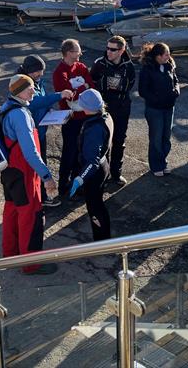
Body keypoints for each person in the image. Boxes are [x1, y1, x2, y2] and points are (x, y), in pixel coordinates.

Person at [0, 74, 59, 275]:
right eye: (29, 88)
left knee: (12, 211)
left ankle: (10, 254)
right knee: (31, 217)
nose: (34, 91)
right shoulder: (20, 115)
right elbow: (30, 152)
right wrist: (47, 177)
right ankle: (31, 264)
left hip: (9, 171)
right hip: (24, 174)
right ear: (18, 91)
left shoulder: (7, 107)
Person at [18, 54, 73, 208]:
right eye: (37, 71)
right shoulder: (22, 84)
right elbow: (34, 102)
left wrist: (50, 110)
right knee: (37, 165)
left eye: (41, 70)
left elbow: (43, 98)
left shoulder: (36, 81)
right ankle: (38, 198)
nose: (40, 74)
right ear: (28, 70)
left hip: (40, 132)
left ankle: (40, 196)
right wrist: (59, 96)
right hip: (32, 134)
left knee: (41, 163)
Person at [90, 36, 136, 187]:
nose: (108, 52)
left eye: (113, 49)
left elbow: (130, 84)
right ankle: (103, 175)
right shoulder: (99, 64)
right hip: (104, 107)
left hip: (122, 107)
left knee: (119, 140)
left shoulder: (128, 66)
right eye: (107, 48)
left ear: (121, 51)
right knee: (103, 142)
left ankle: (116, 174)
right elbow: (91, 83)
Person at [70, 89, 114, 241]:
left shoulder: (94, 128)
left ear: (87, 107)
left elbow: (92, 162)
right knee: (99, 204)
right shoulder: (105, 116)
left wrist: (80, 178)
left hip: (94, 173)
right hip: (104, 165)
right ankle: (104, 238)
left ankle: (101, 242)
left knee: (94, 208)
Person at [52, 39, 93, 197]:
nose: (80, 54)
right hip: (70, 119)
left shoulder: (81, 67)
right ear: (68, 53)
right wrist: (83, 87)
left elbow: (91, 87)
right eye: (77, 51)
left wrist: (78, 89)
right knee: (69, 153)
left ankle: (77, 184)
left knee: (81, 153)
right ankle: (63, 186)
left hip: (85, 117)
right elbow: (68, 96)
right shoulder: (59, 73)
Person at [138, 42, 180, 177]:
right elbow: (143, 90)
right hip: (154, 110)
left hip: (169, 107)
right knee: (156, 137)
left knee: (166, 136)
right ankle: (156, 165)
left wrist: (176, 91)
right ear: (158, 56)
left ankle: (163, 162)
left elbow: (176, 81)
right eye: (166, 54)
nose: (169, 56)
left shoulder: (169, 65)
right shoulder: (147, 69)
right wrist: (157, 99)